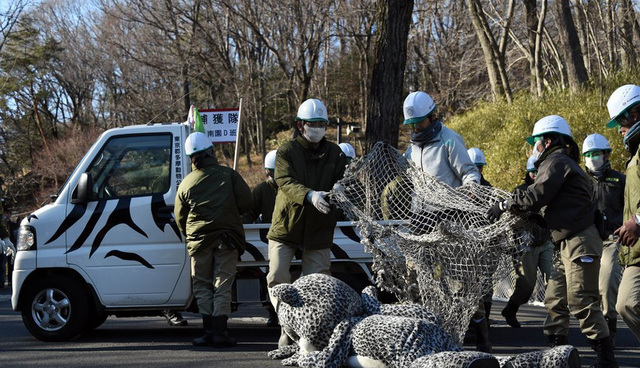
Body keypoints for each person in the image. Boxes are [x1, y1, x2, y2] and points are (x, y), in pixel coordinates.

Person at [487, 115, 617, 367]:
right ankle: (558, 355)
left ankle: (606, 359)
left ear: (548, 141)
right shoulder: (560, 162)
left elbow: (537, 195)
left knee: (581, 299)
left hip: (580, 240)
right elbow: (554, 204)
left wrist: (505, 204)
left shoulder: (556, 161)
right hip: (565, 241)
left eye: (536, 142)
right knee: (556, 300)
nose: (535, 148)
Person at [402, 91, 488, 352]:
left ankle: (481, 332)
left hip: (449, 218)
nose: (416, 128)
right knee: (416, 277)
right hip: (421, 219)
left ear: (433, 117)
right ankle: (429, 336)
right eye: (412, 124)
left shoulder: (449, 140)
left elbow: (469, 172)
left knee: (460, 279)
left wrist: (471, 188)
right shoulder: (411, 149)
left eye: (420, 122)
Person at [266, 98, 347, 347]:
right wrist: (310, 195)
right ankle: (286, 326)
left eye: (322, 123)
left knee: (319, 284)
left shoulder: (335, 152)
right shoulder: (286, 151)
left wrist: (340, 190)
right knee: (278, 277)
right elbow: (285, 181)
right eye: (313, 123)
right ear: (300, 125)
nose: (318, 128)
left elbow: (346, 180)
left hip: (319, 228)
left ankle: (311, 333)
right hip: (286, 225)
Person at [174, 132, 252, 348]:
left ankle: (208, 332)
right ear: (211, 151)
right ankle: (221, 332)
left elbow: (180, 217)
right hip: (227, 239)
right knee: (223, 284)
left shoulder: (186, 183)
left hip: (199, 242)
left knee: (202, 284)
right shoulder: (229, 175)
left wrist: (191, 234)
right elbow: (247, 201)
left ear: (192, 158)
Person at [582, 133, 625, 345]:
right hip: (587, 240)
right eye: (588, 154)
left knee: (607, 282)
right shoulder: (580, 181)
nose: (592, 157)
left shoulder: (620, 179)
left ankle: (610, 325)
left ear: (606, 155)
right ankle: (596, 330)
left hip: (612, 240)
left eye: (596, 153)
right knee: (588, 288)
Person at [501, 155, 554, 328]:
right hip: (526, 245)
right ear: (527, 172)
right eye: (531, 172)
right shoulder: (519, 191)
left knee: (554, 280)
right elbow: (511, 217)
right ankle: (511, 309)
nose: (534, 175)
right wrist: (530, 217)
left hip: (546, 242)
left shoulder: (548, 190)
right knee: (526, 285)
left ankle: (556, 320)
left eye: (537, 172)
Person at [606, 84, 640, 344]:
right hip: (635, 251)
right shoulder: (635, 155)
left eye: (621, 120)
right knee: (626, 304)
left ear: (636, 112)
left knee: (628, 302)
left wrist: (637, 221)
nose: (619, 129)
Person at [242, 149, 279, 327]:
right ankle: (272, 311)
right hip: (267, 241)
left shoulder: (292, 188)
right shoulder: (261, 190)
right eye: (270, 171)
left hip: (291, 240)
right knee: (269, 279)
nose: (271, 175)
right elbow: (250, 212)